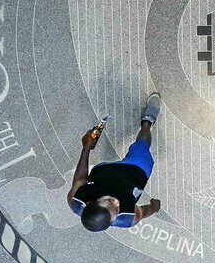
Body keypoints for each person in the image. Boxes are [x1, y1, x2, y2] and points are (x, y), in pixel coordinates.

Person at [68, 93, 162, 231]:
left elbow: (80, 178)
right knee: (142, 146)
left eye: (109, 201)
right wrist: (154, 207)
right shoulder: (129, 217)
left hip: (105, 171)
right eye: (117, 209)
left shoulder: (75, 200)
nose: (117, 202)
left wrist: (87, 147)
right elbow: (146, 211)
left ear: (92, 202)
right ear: (113, 220)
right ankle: (147, 123)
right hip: (135, 172)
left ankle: (146, 125)